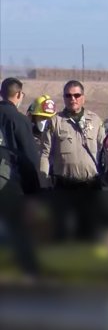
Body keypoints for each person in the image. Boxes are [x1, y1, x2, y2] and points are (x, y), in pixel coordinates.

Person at [39, 80, 108, 243]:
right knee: (63, 231)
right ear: (64, 98)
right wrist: (43, 184)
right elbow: (44, 153)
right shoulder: (55, 122)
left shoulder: (95, 121)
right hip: (64, 186)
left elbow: (105, 151)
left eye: (77, 95)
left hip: (90, 186)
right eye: (68, 95)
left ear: (83, 98)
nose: (73, 99)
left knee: (90, 231)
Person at [0, 77, 41, 277]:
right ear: (18, 95)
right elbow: (30, 159)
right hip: (12, 188)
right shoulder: (18, 119)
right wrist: (37, 192)